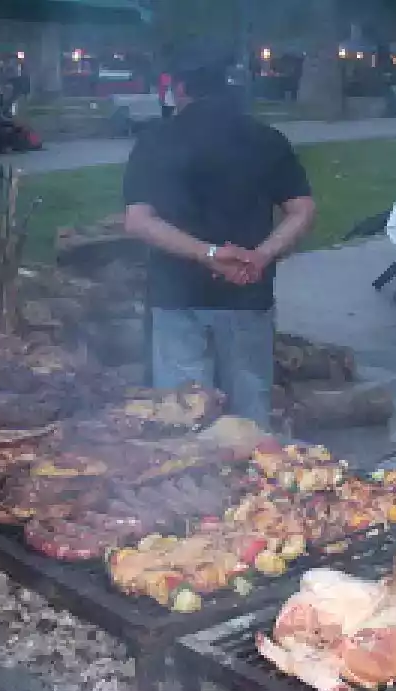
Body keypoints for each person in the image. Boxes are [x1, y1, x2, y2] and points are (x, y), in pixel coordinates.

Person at [122, 50, 316, 426]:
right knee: (250, 414)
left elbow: (138, 221)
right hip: (247, 294)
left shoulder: (155, 140)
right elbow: (302, 210)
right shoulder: (266, 139)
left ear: (179, 89)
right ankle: (256, 481)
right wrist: (260, 256)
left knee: (183, 415)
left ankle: (197, 483)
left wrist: (206, 253)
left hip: (176, 297)